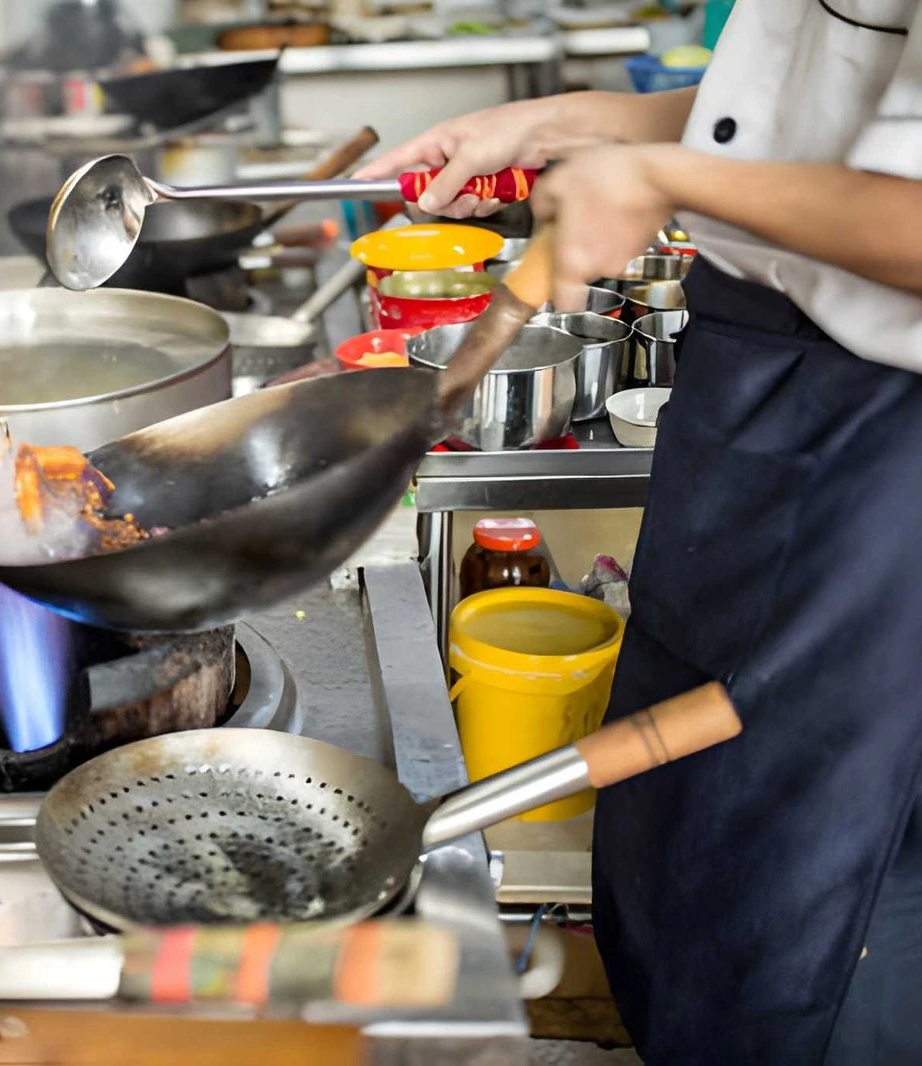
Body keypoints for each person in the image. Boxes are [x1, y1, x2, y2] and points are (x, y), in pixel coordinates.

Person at [359, 3, 922, 1063]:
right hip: (755, 382)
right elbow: (810, 107)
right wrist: (576, 125)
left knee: (807, 909)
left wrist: (664, 183)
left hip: (881, 442)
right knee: (678, 853)